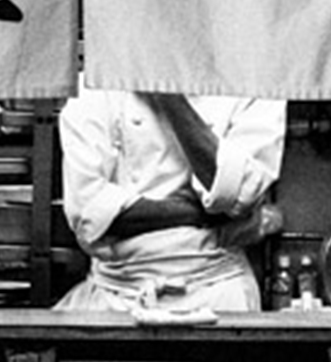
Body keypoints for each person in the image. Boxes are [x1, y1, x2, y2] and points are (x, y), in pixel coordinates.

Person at [55, 89, 286, 312]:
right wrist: (197, 214)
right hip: (116, 299)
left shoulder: (251, 81)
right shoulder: (97, 83)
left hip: (218, 296)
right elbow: (88, 211)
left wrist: (168, 96)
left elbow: (238, 193)